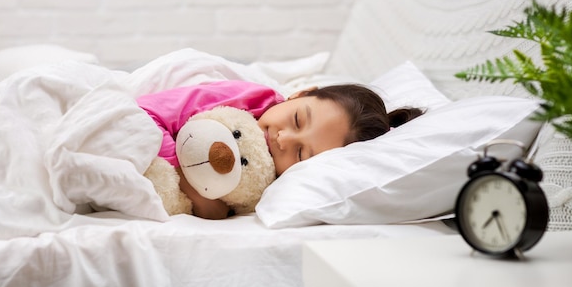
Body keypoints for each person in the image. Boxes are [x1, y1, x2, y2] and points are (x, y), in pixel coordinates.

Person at [137, 80, 424, 220]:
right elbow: (145, 114)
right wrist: (190, 182)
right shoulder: (249, 100)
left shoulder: (277, 183)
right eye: (298, 118)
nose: (283, 139)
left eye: (301, 154)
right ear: (300, 94)